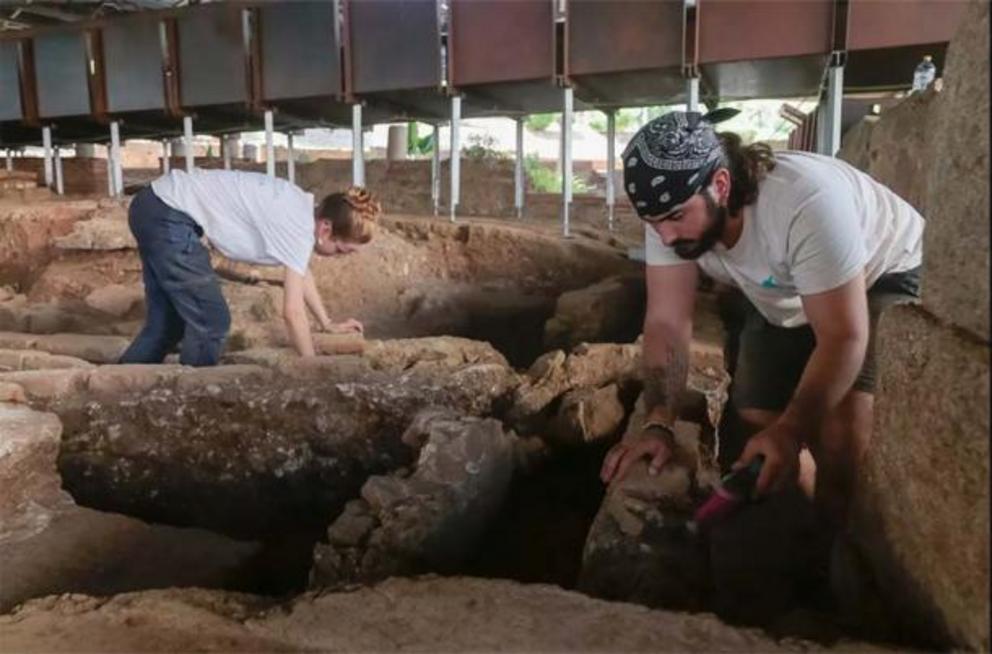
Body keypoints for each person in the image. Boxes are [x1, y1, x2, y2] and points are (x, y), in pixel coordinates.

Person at [599, 110, 923, 531]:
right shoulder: (669, 215)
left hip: (883, 273)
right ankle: (799, 513)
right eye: (652, 223)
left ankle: (838, 546)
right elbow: (666, 321)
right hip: (783, 286)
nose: (665, 238)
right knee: (756, 416)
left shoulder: (806, 205)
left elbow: (843, 336)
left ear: (720, 184)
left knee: (841, 433)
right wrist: (658, 421)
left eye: (676, 217)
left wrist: (792, 429)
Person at [119, 169, 378, 366]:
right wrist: (310, 365)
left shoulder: (301, 212)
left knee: (167, 323)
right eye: (343, 250)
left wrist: (326, 323)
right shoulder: (297, 227)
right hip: (169, 214)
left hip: (154, 205)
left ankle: (117, 391)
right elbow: (292, 312)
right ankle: (195, 398)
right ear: (326, 228)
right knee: (211, 321)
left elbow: (301, 271)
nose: (340, 257)